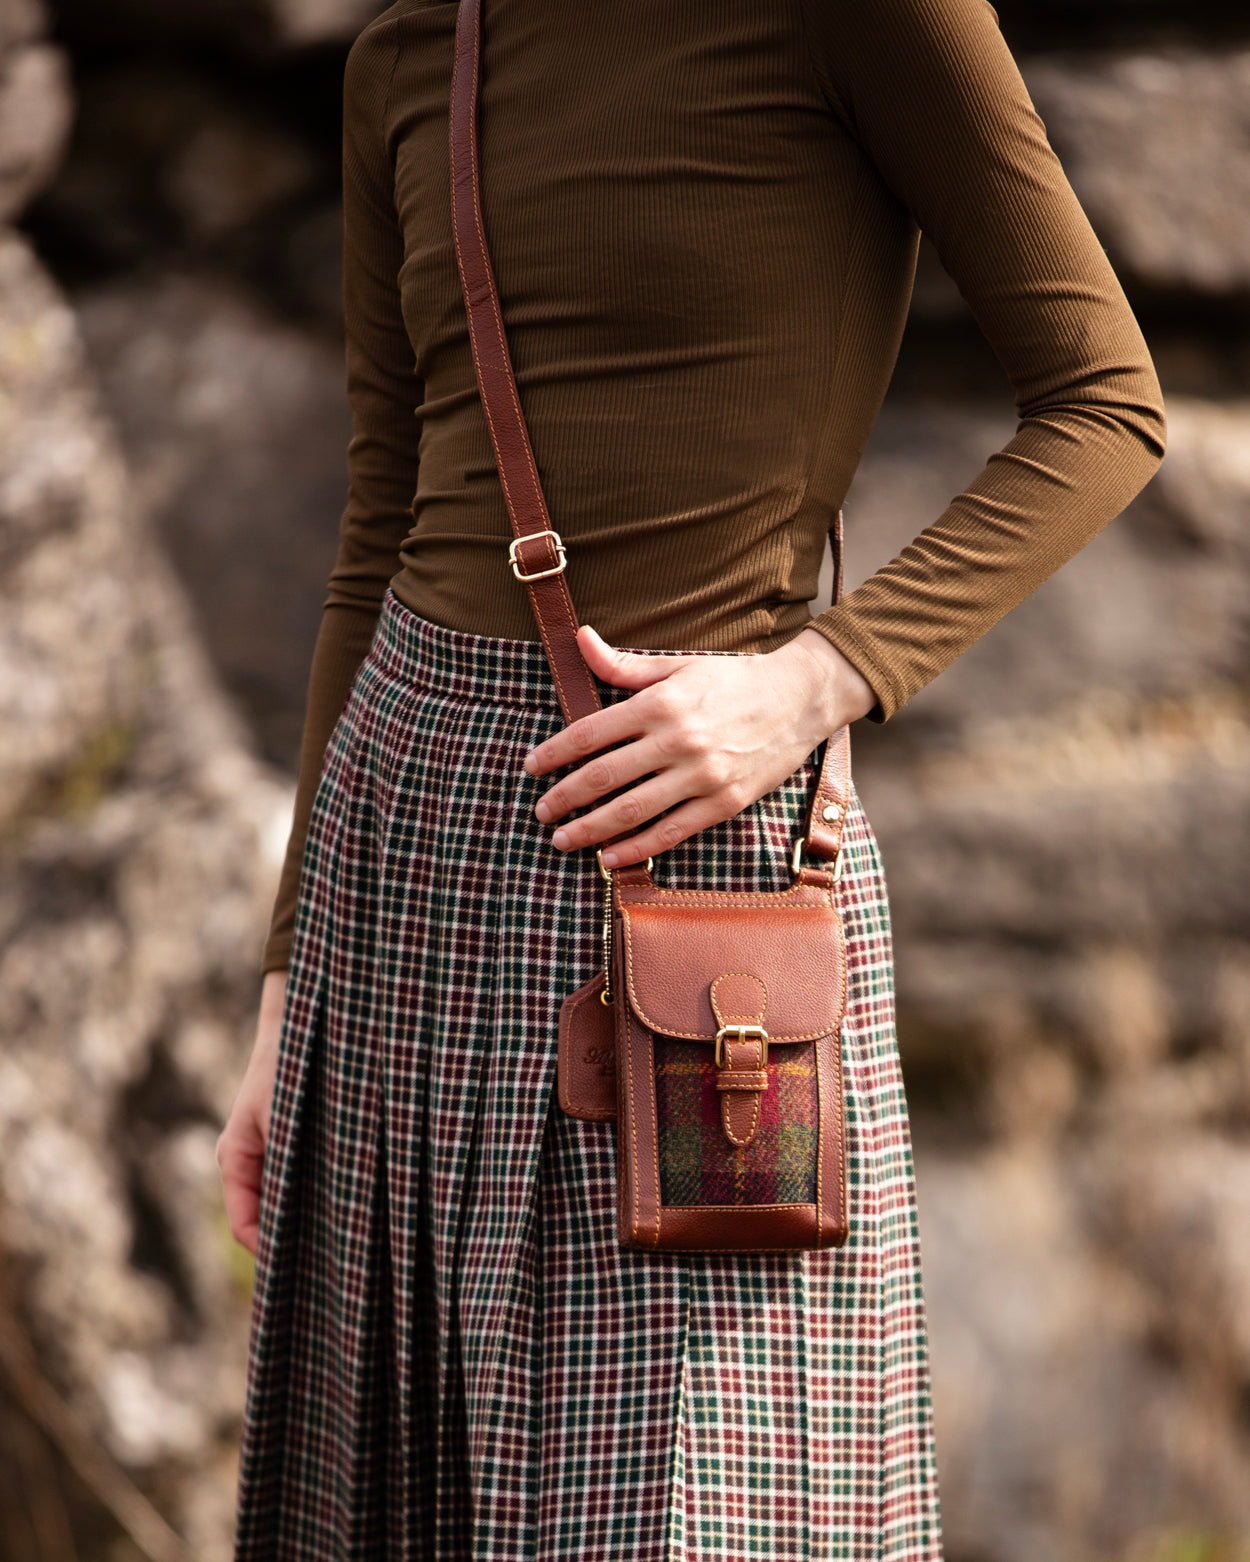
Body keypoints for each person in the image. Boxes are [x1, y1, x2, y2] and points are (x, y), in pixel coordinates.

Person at [216, 0, 1166, 1555]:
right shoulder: (412, 45)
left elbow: (1103, 404)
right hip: (401, 854)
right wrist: (281, 988)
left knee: (696, 1501)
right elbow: (377, 523)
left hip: (693, 847)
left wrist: (815, 680)